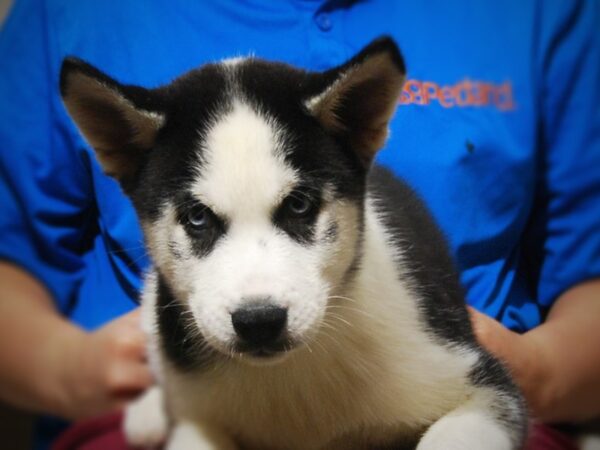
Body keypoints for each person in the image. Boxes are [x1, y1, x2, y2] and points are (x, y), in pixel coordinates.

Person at [0, 0, 599, 448]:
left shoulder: (536, 13)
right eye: (200, 218)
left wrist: (533, 371)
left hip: (418, 397)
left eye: (299, 207)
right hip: (163, 401)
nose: (258, 294)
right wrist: (71, 370)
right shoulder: (68, 12)